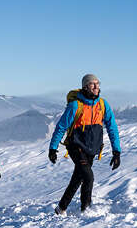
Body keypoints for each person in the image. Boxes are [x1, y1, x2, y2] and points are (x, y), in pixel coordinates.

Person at [48, 74, 121, 214]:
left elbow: (112, 127)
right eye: (92, 84)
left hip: (92, 148)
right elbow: (61, 127)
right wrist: (53, 148)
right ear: (85, 86)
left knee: (78, 178)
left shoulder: (102, 104)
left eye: (97, 84)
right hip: (76, 146)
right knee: (88, 176)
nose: (96, 87)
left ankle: (61, 208)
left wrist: (116, 151)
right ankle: (85, 209)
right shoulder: (75, 105)